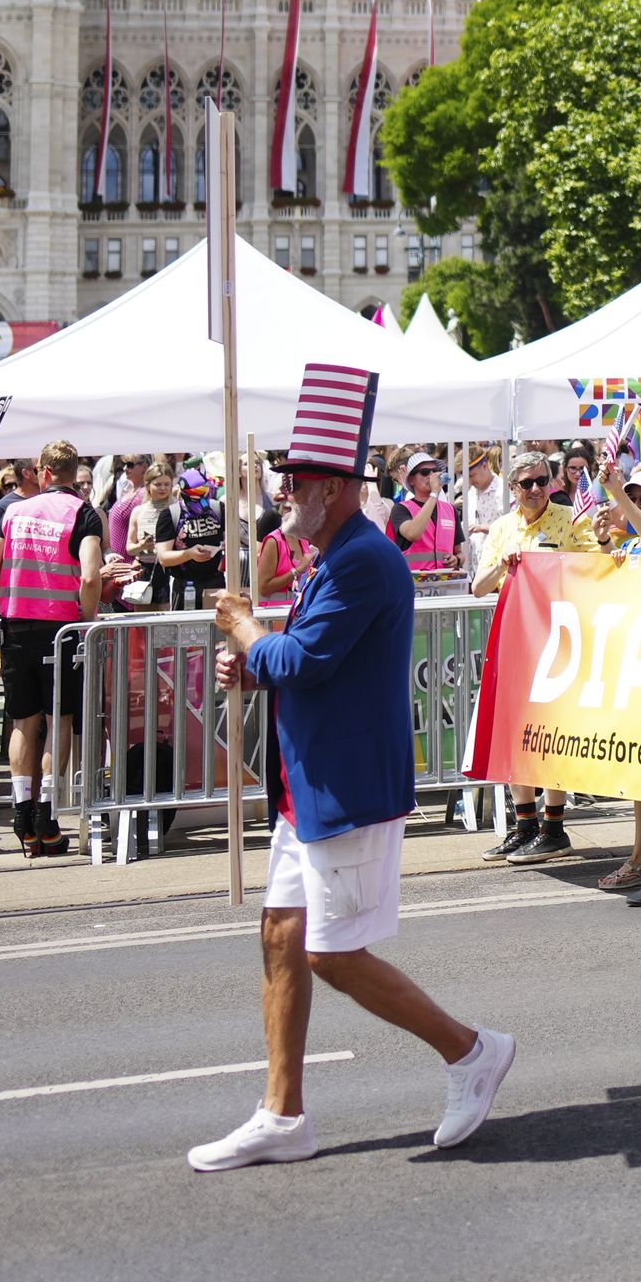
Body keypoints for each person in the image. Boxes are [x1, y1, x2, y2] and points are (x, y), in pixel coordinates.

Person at [189, 413, 516, 1171]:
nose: (283, 493)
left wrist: (246, 630)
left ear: (333, 489)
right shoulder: (334, 555)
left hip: (347, 786)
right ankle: (282, 1115)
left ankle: (471, 1051)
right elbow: (311, 659)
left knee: (332, 954)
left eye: (296, 483)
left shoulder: (363, 558)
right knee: (281, 934)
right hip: (307, 783)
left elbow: (305, 660)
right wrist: (255, 662)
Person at [0, 443, 105, 858]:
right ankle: (46, 814)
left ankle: (22, 813)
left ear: (43, 472)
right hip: (62, 630)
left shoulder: (13, 512)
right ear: (73, 472)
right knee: (59, 721)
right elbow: (90, 576)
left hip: (16, 628)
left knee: (23, 722)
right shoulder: (83, 513)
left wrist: (5, 601)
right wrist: (87, 616)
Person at [470, 455, 593, 860]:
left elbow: (596, 569)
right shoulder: (502, 528)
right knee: (513, 732)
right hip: (515, 640)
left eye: (542, 481)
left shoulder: (571, 518)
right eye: (527, 484)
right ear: (513, 489)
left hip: (558, 640)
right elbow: (478, 587)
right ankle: (524, 826)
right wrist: (503, 564)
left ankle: (554, 827)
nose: (536, 489)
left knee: (552, 732)